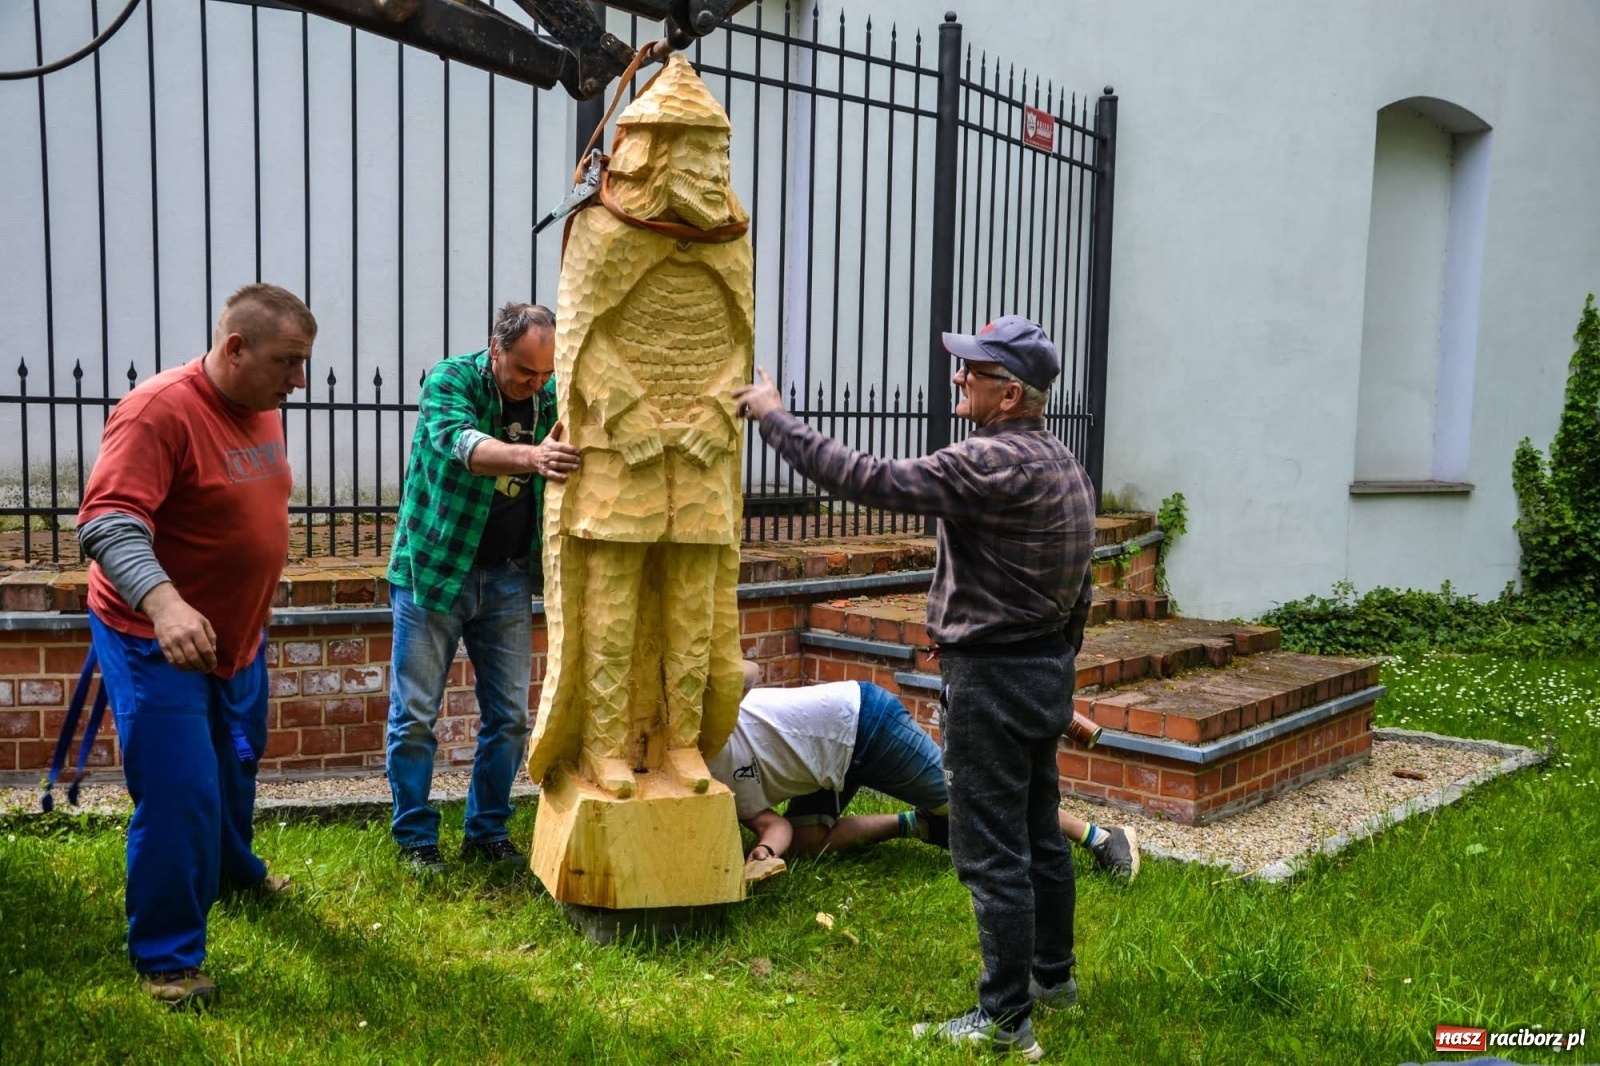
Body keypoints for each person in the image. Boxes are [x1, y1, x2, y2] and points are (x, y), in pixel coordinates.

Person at [733, 315, 1096, 1060]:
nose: (958, 376)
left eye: (972, 370)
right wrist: (1056, 671)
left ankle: (1005, 1022)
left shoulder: (989, 461)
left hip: (992, 679)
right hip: (1042, 670)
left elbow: (869, 480)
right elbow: (1082, 590)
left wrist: (774, 420)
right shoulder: (1066, 465)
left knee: (992, 852)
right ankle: (1053, 980)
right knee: (1038, 833)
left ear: (1009, 394)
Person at [77, 283, 316, 1009]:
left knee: (236, 763)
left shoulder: (261, 403)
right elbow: (107, 521)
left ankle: (231, 869)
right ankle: (169, 957)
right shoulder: (157, 411)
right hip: (155, 636)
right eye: (288, 362)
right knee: (181, 789)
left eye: (303, 362)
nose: (300, 380)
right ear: (235, 347)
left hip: (235, 635)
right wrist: (167, 604)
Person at [385, 302, 581, 875]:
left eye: (545, 374)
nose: (535, 384)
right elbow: (460, 443)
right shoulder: (452, 380)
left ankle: (488, 830)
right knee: (415, 714)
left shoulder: (551, 396)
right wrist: (533, 456)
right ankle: (415, 837)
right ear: (495, 349)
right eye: (524, 371)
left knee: (510, 718)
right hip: (433, 570)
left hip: (506, 577)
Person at [717, 663, 1138, 882]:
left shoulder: (715, 713)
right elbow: (773, 825)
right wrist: (766, 852)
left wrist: (710, 683)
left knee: (970, 797)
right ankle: (918, 824)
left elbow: (749, 671)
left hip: (864, 722)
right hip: (824, 767)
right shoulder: (708, 786)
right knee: (806, 841)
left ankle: (1103, 838)